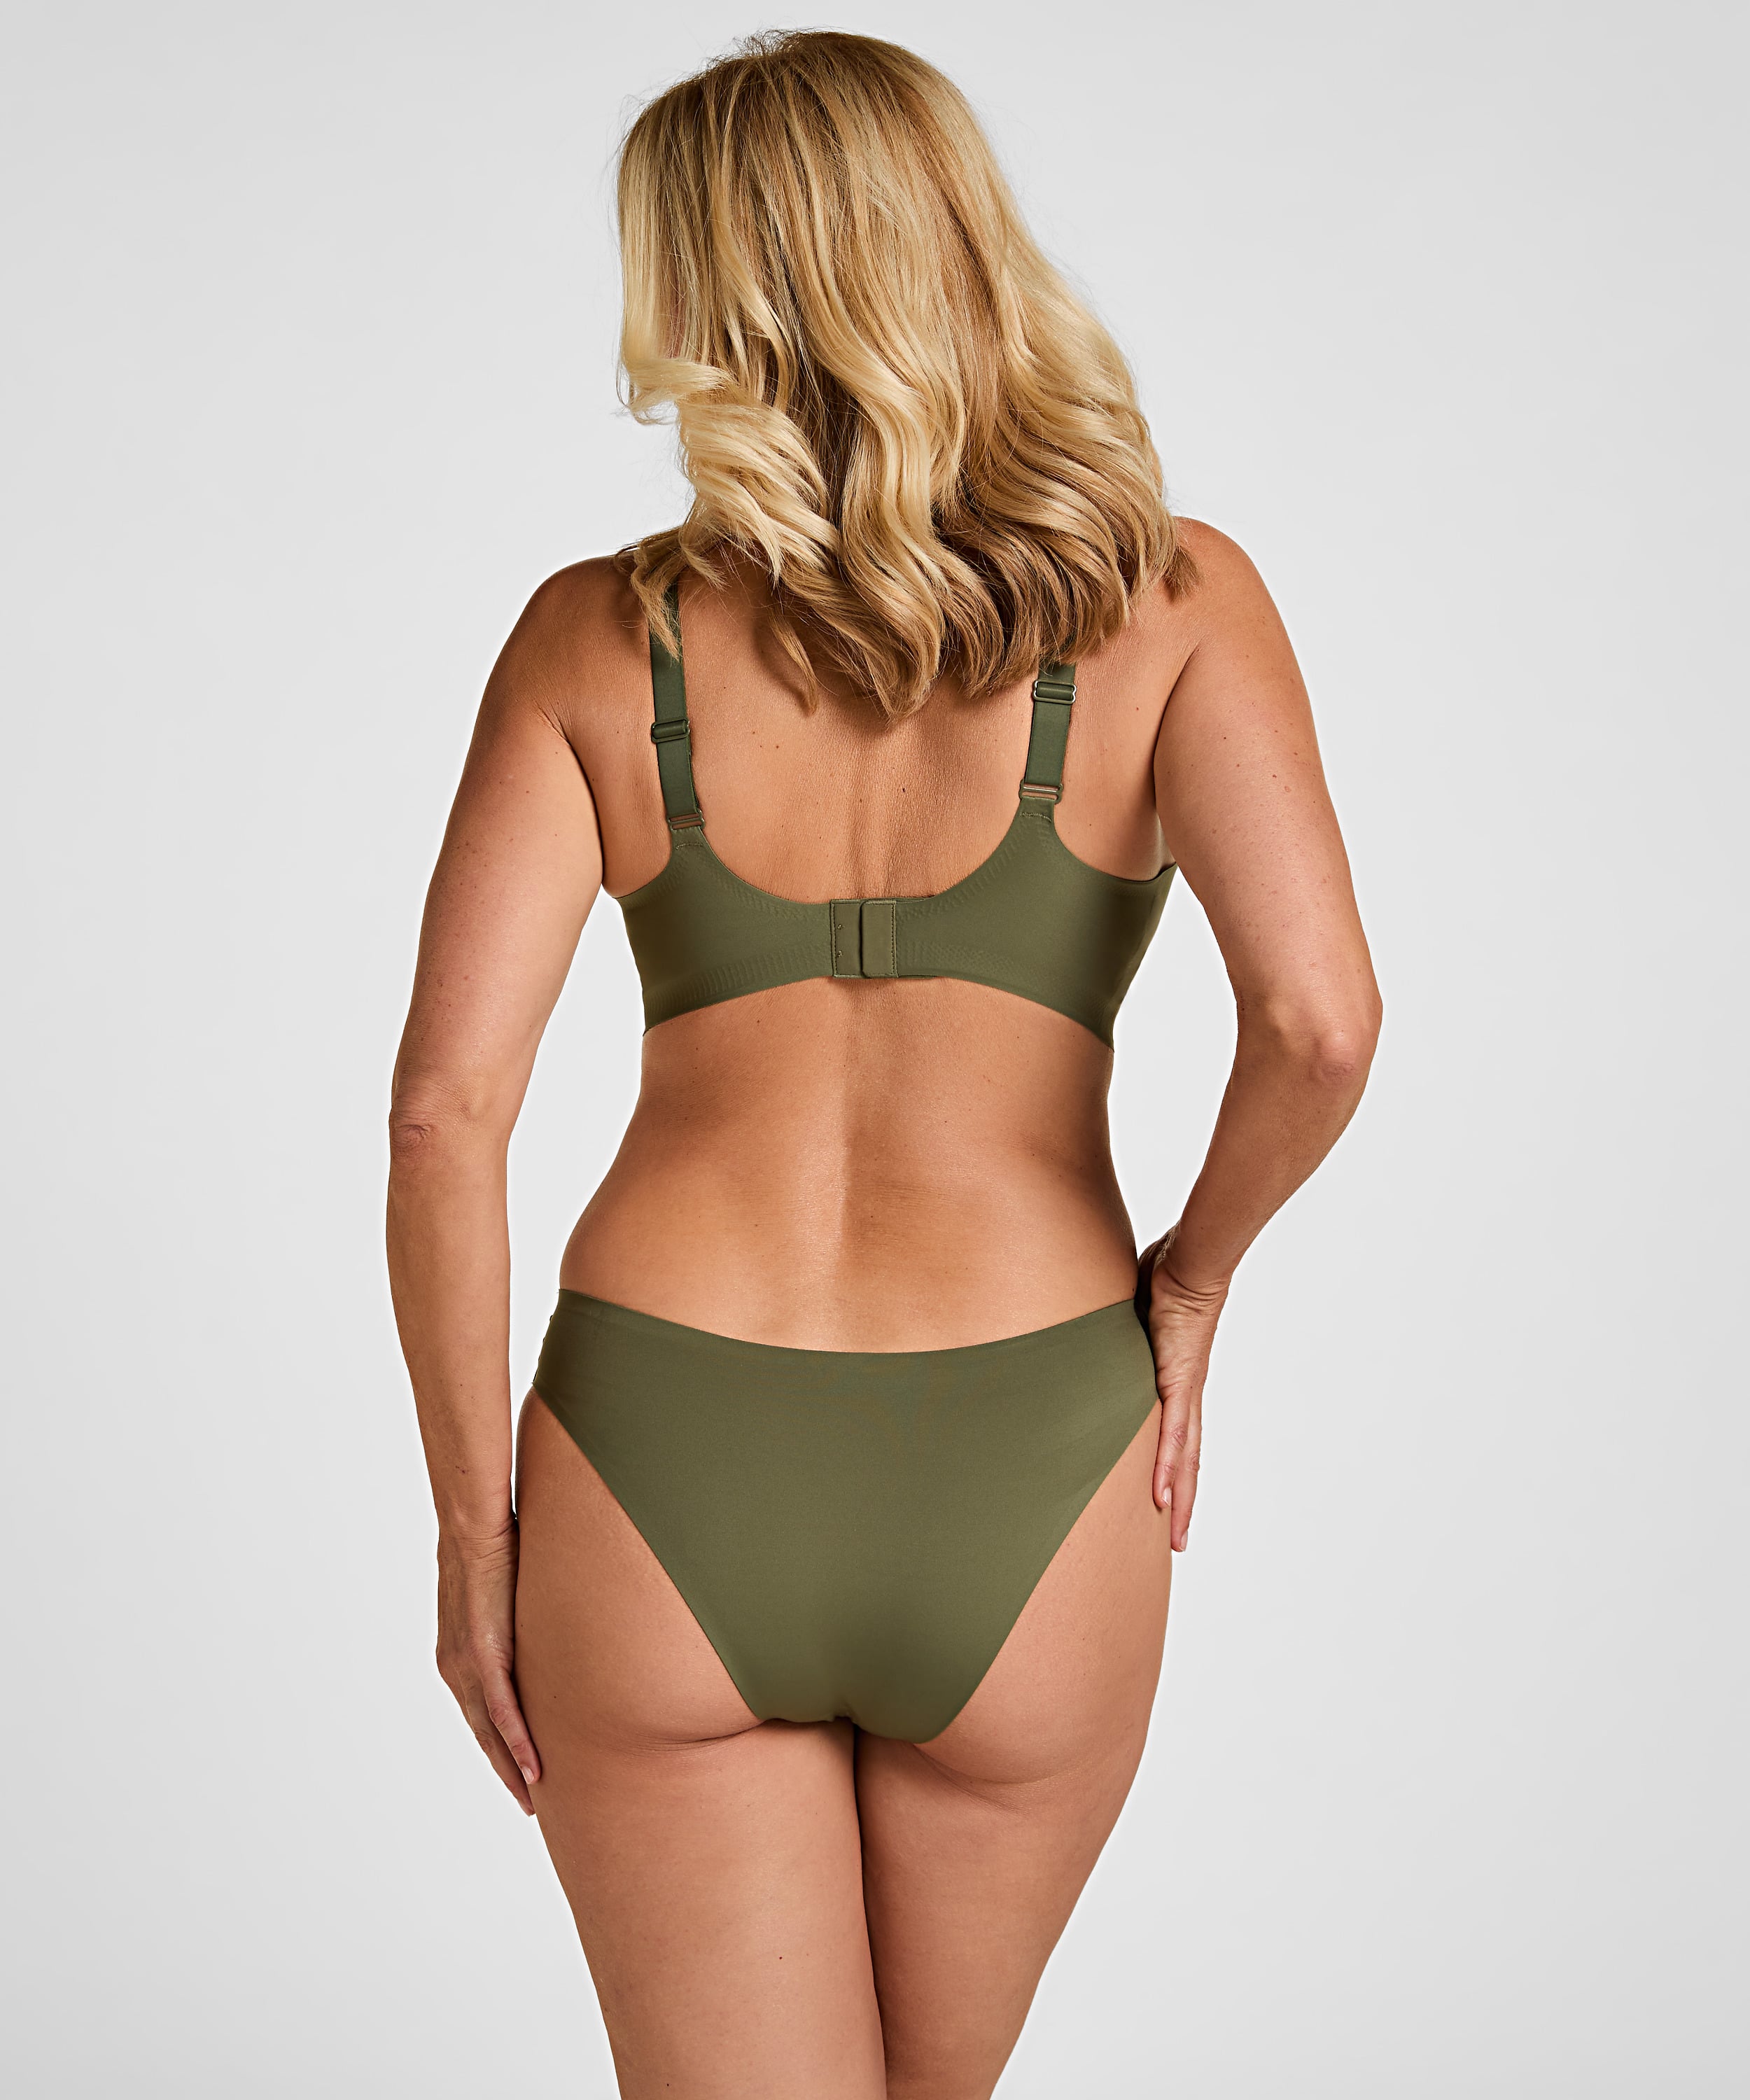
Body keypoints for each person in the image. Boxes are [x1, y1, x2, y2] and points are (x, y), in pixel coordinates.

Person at [387, 29, 1380, 2099]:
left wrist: (474, 1532)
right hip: (1033, 1453)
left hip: (659, 1458)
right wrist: (1192, 1280)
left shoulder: (594, 642)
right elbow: (1320, 1022)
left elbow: (445, 1115)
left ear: (708, 295)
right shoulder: (1177, 608)